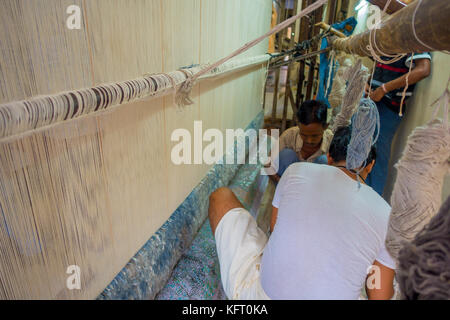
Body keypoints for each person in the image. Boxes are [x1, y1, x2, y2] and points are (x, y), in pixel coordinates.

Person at [209, 125, 396, 300]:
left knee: (221, 197)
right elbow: (380, 295)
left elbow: (274, 230)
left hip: (262, 296)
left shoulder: (295, 171)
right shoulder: (387, 215)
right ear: (370, 165)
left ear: (329, 156)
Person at [365, 1, 431, 196]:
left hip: (388, 106)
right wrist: (369, 82)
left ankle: (372, 203)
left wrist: (384, 89)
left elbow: (423, 69)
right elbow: (381, 65)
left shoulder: (413, 31)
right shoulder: (390, 31)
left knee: (378, 159)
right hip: (374, 101)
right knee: (364, 154)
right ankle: (360, 199)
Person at [271, 100, 329, 183]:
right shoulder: (289, 136)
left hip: (315, 188)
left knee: (323, 160)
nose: (309, 141)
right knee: (287, 155)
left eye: (315, 136)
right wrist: (280, 182)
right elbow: (268, 165)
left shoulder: (332, 141)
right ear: (299, 125)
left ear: (326, 127)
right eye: (304, 135)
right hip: (289, 185)